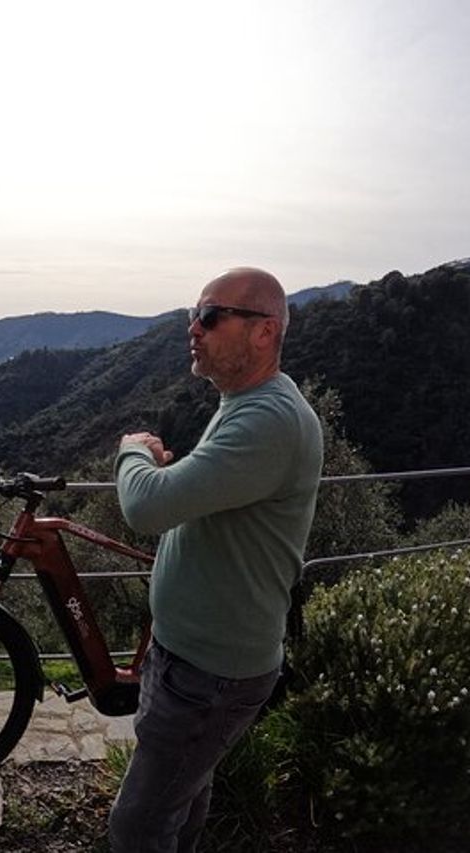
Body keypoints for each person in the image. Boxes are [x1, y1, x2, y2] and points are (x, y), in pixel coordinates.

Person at [108, 267, 323, 852]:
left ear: (263, 332)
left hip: (211, 674)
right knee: (183, 798)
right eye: (193, 315)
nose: (192, 328)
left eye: (209, 316)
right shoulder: (244, 400)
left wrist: (134, 453)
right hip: (193, 658)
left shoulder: (270, 420)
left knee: (138, 827)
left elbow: (146, 507)